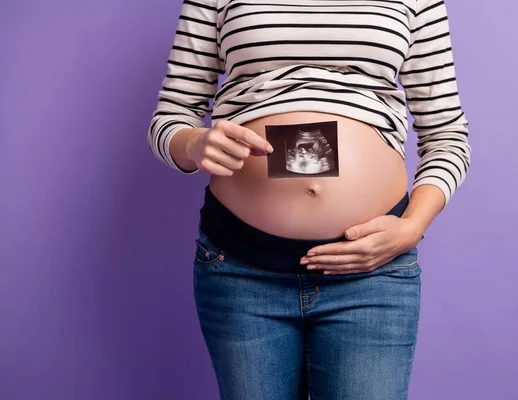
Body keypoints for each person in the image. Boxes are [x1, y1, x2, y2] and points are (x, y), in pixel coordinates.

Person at [147, 0, 471, 398]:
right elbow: (171, 117)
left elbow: (448, 136)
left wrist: (412, 227)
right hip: (241, 269)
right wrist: (195, 143)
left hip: (371, 277)